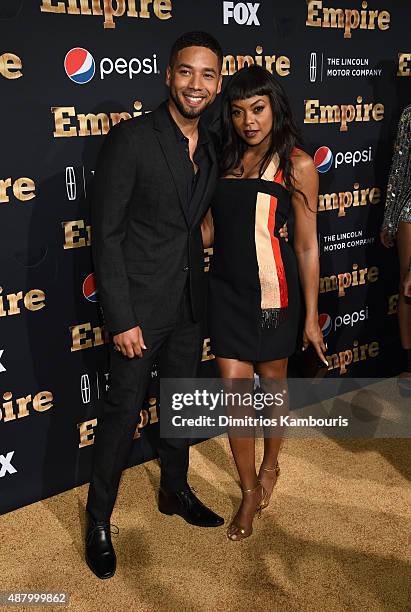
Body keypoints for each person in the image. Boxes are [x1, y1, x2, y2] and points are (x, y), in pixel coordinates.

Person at [85, 31, 226, 580]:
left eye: (208, 74)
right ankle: (99, 518)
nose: (196, 84)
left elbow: (195, 224)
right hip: (139, 310)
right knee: (122, 416)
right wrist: (120, 317)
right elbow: (108, 235)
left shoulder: (212, 147)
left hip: (191, 304)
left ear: (217, 83)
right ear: (169, 75)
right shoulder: (132, 139)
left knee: (180, 406)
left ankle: (174, 489)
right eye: (187, 72)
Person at [202, 65, 327, 541]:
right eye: (237, 112)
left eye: (257, 109)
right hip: (227, 292)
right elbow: (213, 231)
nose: (248, 121)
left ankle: (272, 463)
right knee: (234, 395)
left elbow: (307, 245)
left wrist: (312, 318)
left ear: (275, 106)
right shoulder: (223, 161)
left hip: (275, 291)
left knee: (273, 385)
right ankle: (249, 489)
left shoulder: (297, 164)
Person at [380, 104, 411, 392]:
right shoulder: (409, 116)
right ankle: (407, 364)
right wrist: (389, 219)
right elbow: (399, 171)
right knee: (408, 285)